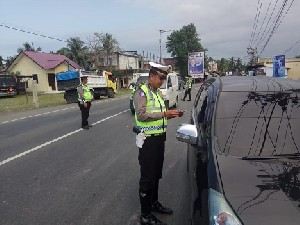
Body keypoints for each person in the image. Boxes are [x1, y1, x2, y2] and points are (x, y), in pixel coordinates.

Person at [133, 62, 183, 225]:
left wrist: (171, 115)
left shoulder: (158, 93)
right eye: (160, 77)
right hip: (148, 141)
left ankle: (154, 203)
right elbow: (141, 116)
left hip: (159, 138)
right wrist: (164, 113)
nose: (162, 80)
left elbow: (159, 115)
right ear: (152, 76)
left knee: (156, 175)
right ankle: (145, 215)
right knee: (147, 177)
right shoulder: (142, 93)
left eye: (164, 78)